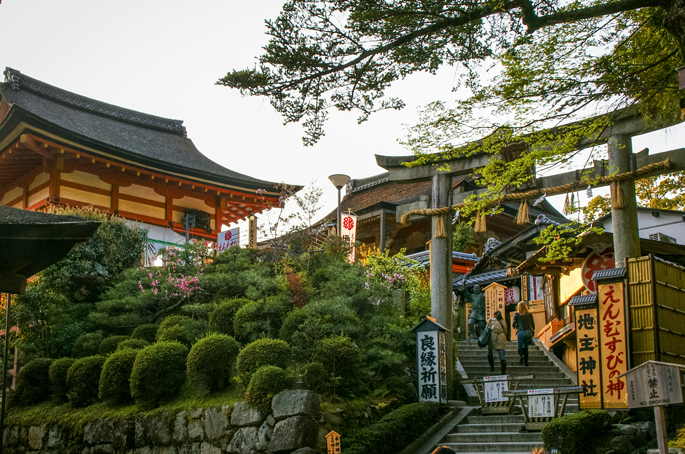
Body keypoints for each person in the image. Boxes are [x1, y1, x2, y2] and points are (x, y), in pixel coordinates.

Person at [513, 301, 535, 366]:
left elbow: (513, 324)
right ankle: (526, 362)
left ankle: (522, 355)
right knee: (526, 348)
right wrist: (533, 332)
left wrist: (515, 326)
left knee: (520, 348)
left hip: (520, 332)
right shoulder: (530, 314)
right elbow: (533, 324)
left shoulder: (516, 314)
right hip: (528, 331)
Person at [487, 310, 508, 374]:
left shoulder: (491, 320)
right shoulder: (503, 321)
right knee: (502, 355)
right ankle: (503, 371)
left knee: (489, 353)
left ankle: (492, 368)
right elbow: (505, 330)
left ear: (494, 315)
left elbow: (487, 328)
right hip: (501, 337)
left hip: (492, 337)